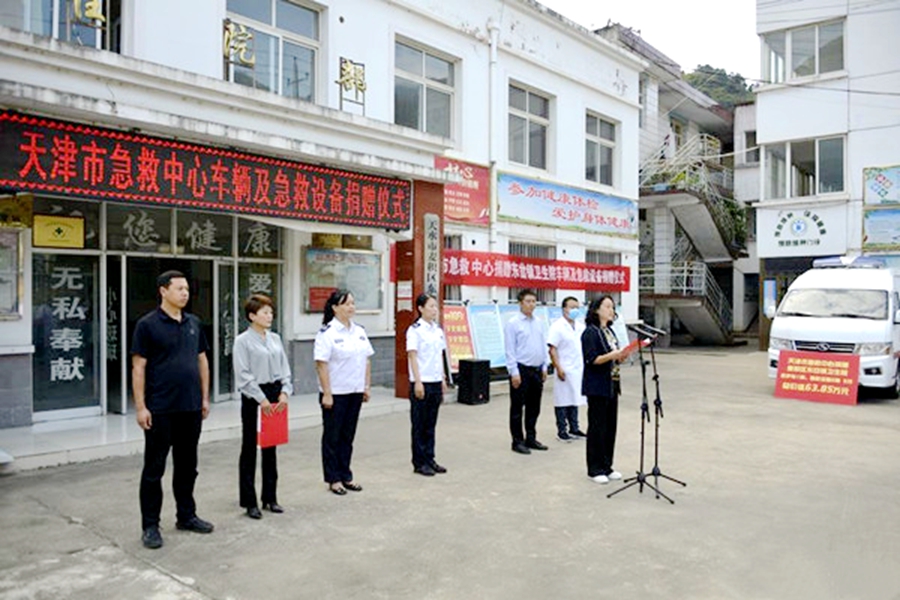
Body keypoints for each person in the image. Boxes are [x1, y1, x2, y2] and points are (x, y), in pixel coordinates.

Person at [132, 270, 213, 549]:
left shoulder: (194, 322)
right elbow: (138, 367)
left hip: (190, 407)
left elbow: (202, 361)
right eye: (179, 288)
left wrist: (204, 397)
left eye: (187, 289)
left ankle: (186, 515)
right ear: (163, 291)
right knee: (154, 469)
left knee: (188, 466)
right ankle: (151, 526)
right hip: (160, 409)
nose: (185, 293)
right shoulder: (147, 325)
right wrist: (141, 406)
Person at [233, 294, 292, 520]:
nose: (270, 316)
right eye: (265, 312)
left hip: (275, 394)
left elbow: (285, 368)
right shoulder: (242, 341)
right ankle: (250, 501)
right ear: (252, 316)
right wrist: (261, 399)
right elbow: (244, 375)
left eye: (270, 312)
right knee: (250, 448)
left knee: (271, 447)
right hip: (254, 396)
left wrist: (285, 392)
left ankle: (270, 497)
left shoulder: (275, 338)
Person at [314, 289, 374, 495]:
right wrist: (327, 393)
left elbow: (366, 359)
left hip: (355, 391)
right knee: (332, 437)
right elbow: (321, 365)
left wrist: (366, 386)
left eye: (353, 303)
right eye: (346, 303)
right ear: (335, 308)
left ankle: (346, 475)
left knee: (347, 436)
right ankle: (333, 478)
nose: (351, 307)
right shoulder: (327, 333)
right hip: (335, 393)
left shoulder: (359, 331)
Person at [581, 295, 626, 484]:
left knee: (610, 426)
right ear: (596, 309)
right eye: (607, 306)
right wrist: (612, 355)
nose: (611, 310)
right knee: (597, 427)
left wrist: (620, 356)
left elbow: (613, 356)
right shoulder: (590, 332)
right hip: (597, 386)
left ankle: (607, 465)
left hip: (612, 384)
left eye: (612, 306)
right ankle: (594, 468)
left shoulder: (609, 331)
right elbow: (592, 359)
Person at [406, 293, 450, 476]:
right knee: (419, 424)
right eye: (430, 306)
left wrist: (443, 378)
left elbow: (439, 356)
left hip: (434, 381)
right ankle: (419, 462)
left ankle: (430, 458)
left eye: (435, 306)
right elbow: (412, 356)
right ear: (420, 308)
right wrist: (417, 381)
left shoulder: (437, 330)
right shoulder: (414, 330)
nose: (434, 310)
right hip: (421, 382)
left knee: (431, 424)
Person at [504, 289, 549, 454]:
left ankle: (531, 437)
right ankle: (517, 441)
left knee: (534, 406)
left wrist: (545, 366)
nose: (531, 304)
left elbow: (543, 345)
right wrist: (513, 372)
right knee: (517, 407)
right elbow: (510, 350)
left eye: (533, 301)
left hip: (537, 370)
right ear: (520, 303)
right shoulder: (513, 323)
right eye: (528, 301)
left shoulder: (538, 322)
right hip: (521, 370)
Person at [547, 297, 587, 443]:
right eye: (571, 307)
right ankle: (562, 430)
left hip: (578, 369)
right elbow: (552, 349)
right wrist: (558, 367)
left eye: (577, 307)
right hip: (564, 368)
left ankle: (574, 428)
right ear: (564, 309)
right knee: (562, 400)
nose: (575, 310)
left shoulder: (580, 326)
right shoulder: (557, 326)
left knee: (575, 398)